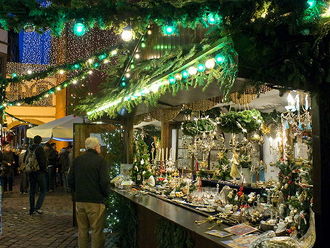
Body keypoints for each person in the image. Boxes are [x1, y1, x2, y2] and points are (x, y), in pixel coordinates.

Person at [68, 137, 110, 248]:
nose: (100, 148)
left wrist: (76, 193)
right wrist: (105, 194)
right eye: (99, 146)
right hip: (95, 201)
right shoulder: (100, 161)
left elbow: (70, 180)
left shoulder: (77, 160)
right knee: (97, 231)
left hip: (80, 200)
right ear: (96, 147)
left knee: (82, 230)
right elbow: (104, 181)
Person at [26, 135, 47, 215]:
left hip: (31, 171)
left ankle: (31, 209)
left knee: (32, 191)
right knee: (43, 190)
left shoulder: (29, 148)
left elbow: (25, 159)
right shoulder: (40, 149)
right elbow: (42, 161)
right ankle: (37, 207)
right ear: (40, 141)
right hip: (39, 172)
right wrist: (44, 170)